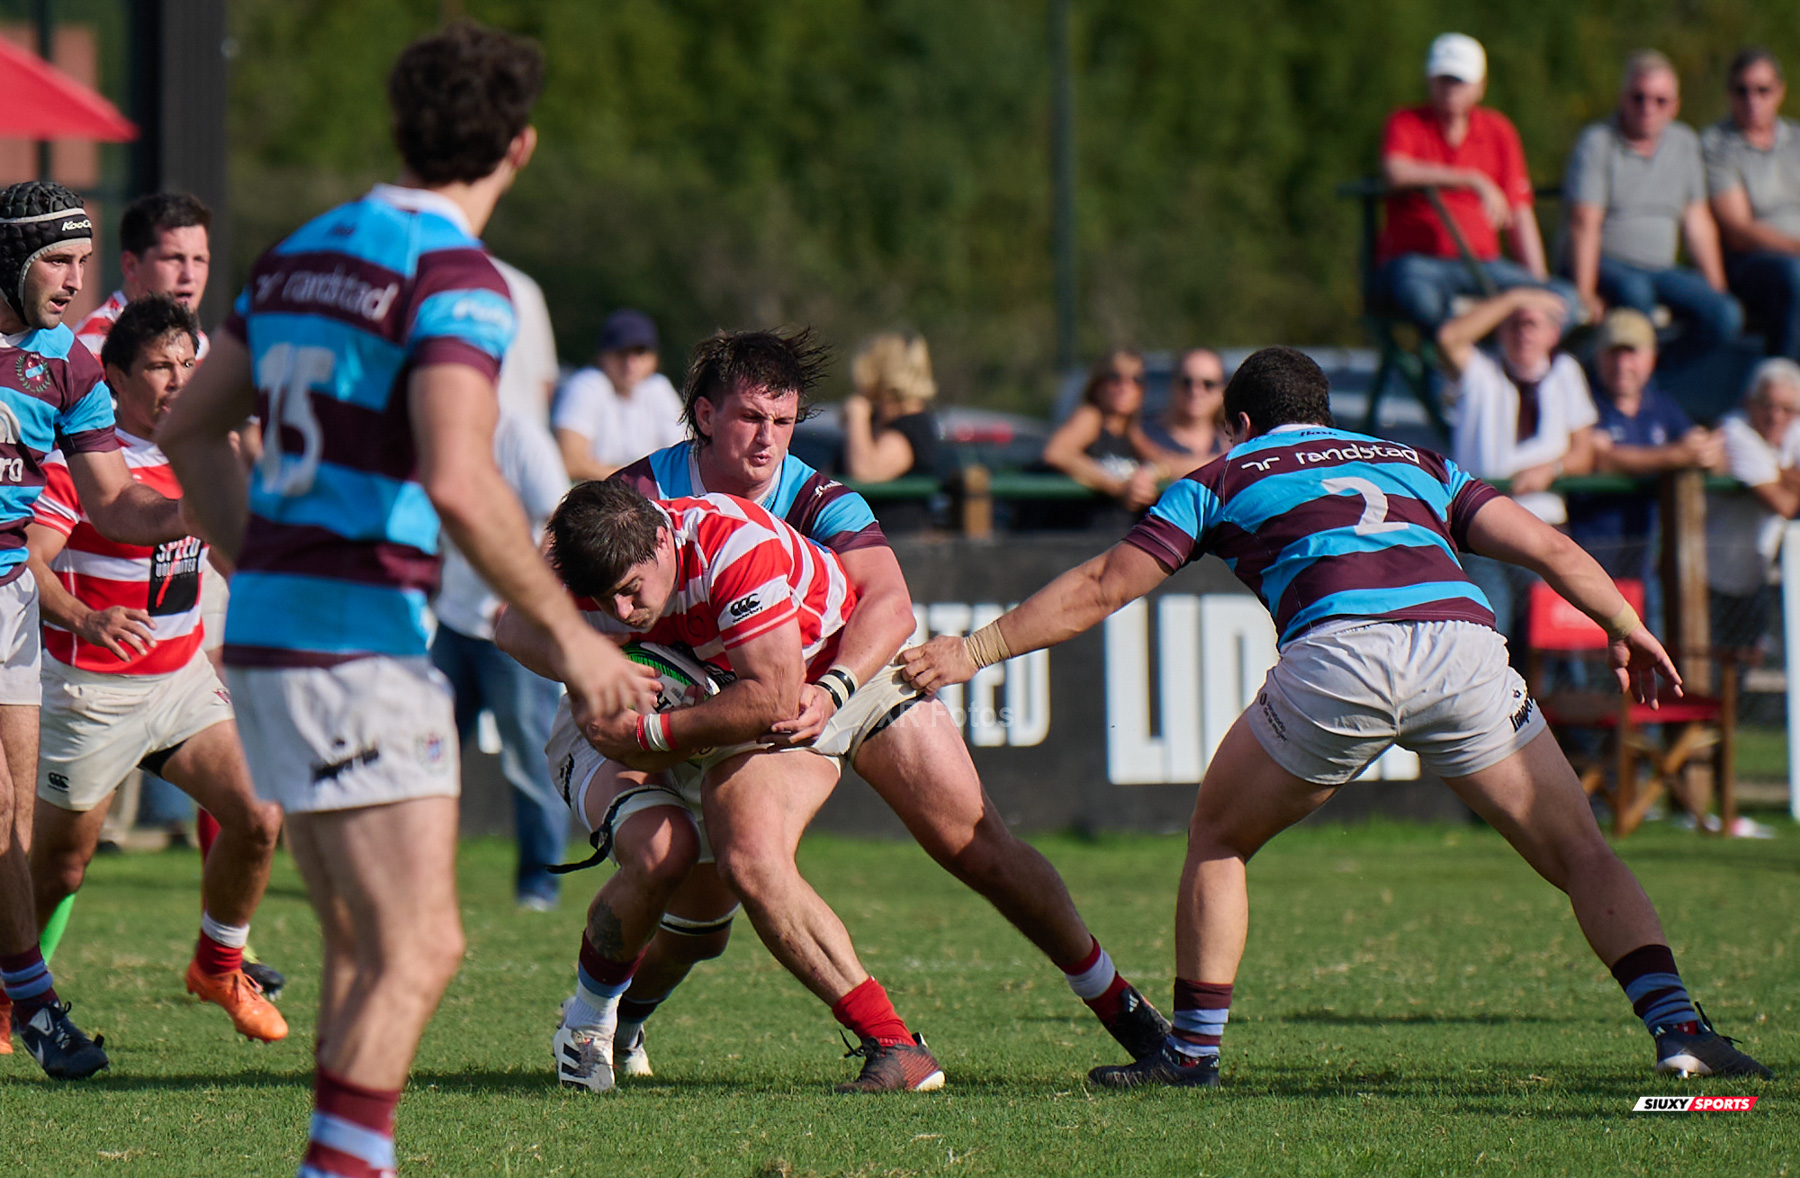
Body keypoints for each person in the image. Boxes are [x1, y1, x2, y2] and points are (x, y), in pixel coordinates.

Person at [902, 345, 1773, 1090]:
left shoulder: (1219, 476)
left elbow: (1100, 589)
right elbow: (1545, 546)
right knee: (1581, 850)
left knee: (1219, 839)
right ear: (1325, 412)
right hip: (1462, 648)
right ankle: (1680, 1032)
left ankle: (1193, 1054)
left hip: (1341, 656)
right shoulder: (1416, 460)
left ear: (1238, 423)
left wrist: (972, 651)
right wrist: (1625, 626)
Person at [156, 24, 655, 1175]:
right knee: (420, 946)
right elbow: (459, 473)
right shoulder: (457, 278)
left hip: (279, 632)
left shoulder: (295, 253)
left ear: (396, 126)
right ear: (520, 147)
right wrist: (580, 645)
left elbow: (185, 424)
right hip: (358, 640)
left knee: (357, 948)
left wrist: (262, 561)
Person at [530, 328, 1168, 1088]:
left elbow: (890, 604)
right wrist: (595, 664)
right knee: (706, 905)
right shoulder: (637, 500)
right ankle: (627, 1022)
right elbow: (524, 616)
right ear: (702, 414)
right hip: (732, 697)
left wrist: (834, 688)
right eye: (749, 419)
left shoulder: (815, 494)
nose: (769, 439)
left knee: (980, 847)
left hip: (834, 679)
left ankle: (1125, 1014)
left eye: (784, 420)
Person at [503, 478, 955, 1093]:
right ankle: (586, 1027)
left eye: (633, 592)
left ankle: (894, 1043)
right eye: (605, 601)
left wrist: (657, 735)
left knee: (731, 892)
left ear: (663, 540)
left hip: (768, 700)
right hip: (637, 716)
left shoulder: (731, 547)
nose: (624, 614)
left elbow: (771, 696)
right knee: (663, 853)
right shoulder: (593, 555)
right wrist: (595, 664)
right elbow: (509, 625)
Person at [25, 296, 287, 1045]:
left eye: (188, 364)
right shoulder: (81, 463)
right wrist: (84, 617)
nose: (179, 379)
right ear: (113, 376)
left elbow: (233, 556)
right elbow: (26, 564)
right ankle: (11, 988)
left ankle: (217, 965)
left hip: (179, 683)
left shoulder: (205, 455)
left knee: (258, 815)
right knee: (61, 872)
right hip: (90, 694)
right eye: (160, 366)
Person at [0, 180, 189, 1079]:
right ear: (11, 260)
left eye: (82, 261)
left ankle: (23, 1000)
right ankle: (37, 1009)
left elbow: (114, 501)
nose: (76, 281)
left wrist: (206, 513)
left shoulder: (67, 363)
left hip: (8, 600)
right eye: (58, 263)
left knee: (17, 832)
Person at [429, 408, 570, 912]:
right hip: (452, 621)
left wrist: (517, 594)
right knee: (424, 755)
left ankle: (539, 885)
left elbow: (560, 520)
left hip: (510, 632)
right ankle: (417, 878)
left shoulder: (520, 435)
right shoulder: (437, 426)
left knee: (530, 759)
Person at [1377, 33, 1579, 330]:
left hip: (1484, 266)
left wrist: (1537, 283)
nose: (1450, 89)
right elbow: (1395, 170)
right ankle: (1457, 364)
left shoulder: (1499, 131)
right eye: (1443, 79)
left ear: (1480, 87)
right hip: (1419, 263)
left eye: (1459, 80)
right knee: (1422, 300)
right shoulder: (1405, 122)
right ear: (1430, 81)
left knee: (1563, 301)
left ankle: (1516, 366)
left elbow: (1519, 212)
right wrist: (1471, 179)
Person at [1438, 286, 1598, 638]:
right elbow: (1450, 337)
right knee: (1492, 626)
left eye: (1532, 324)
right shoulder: (1480, 371)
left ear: (1553, 333)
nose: (1523, 332)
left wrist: (1551, 470)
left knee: (1558, 631)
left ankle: (1559, 692)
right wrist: (1515, 298)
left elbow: (1584, 452)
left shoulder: (1565, 372)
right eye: (1514, 324)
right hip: (1482, 526)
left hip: (1544, 524)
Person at [1564, 51, 1740, 364]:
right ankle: (1631, 384)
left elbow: (1697, 222)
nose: (1648, 108)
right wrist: (1585, 293)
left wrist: (1716, 287)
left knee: (1724, 314)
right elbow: (1585, 222)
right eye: (1638, 97)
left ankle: (1654, 382)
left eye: (1660, 100)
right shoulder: (1597, 142)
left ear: (1675, 105)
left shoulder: (1684, 143)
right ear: (1623, 99)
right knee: (1636, 293)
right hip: (1608, 263)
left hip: (1660, 268)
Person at [1567, 309, 1723, 588]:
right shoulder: (1583, 399)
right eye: (1614, 353)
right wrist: (1676, 456)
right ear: (1599, 356)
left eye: (1632, 353)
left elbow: (1703, 449)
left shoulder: (1661, 404)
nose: (1622, 364)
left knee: (1649, 626)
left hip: (1647, 555)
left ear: (1651, 357)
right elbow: (1601, 459)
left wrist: (1706, 451)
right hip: (1587, 553)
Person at [1705, 48, 1800, 360]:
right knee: (1793, 275)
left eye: (1762, 90)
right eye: (1742, 90)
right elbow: (1739, 230)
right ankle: (1781, 387)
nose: (1752, 100)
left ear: (1780, 91)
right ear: (1729, 94)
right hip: (1752, 264)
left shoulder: (1796, 139)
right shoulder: (1718, 146)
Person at [1705, 359, 1800, 655]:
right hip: (1711, 583)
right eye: (1766, 404)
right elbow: (1785, 504)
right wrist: (1789, 474)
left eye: (1787, 409)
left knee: (1745, 673)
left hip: (1756, 580)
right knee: (1705, 679)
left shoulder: (1793, 428)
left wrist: (1779, 473)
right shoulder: (1735, 431)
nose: (1776, 416)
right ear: (1749, 402)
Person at [72, 192, 212, 360]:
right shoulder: (90, 346)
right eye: (174, 258)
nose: (189, 275)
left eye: (199, 260)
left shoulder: (201, 345)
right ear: (130, 265)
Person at [552, 308, 684, 480]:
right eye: (622, 353)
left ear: (654, 359)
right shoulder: (586, 386)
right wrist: (637, 483)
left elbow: (684, 456)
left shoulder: (658, 389)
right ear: (603, 355)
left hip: (644, 495)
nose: (631, 364)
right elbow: (571, 462)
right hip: (593, 496)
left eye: (640, 352)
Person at [1040, 351, 1163, 524]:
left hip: (1116, 537)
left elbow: (1163, 461)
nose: (1125, 386)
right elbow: (1056, 453)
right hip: (1077, 536)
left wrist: (1151, 473)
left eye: (1136, 379)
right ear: (1098, 384)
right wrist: (1118, 488)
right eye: (1115, 377)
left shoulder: (1133, 432)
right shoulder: (1091, 417)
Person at [841, 331, 940, 533]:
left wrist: (857, 415)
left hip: (898, 548)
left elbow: (866, 472)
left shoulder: (912, 426)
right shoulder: (885, 423)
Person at [1142, 347, 1229, 478]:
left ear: (1221, 391)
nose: (1196, 391)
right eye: (1187, 382)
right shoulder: (1140, 435)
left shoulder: (1232, 442)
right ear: (1172, 384)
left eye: (1208, 384)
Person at [492, 258, 559, 426]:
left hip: (483, 429)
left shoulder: (442, 277)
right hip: (530, 428)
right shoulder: (525, 287)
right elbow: (547, 381)